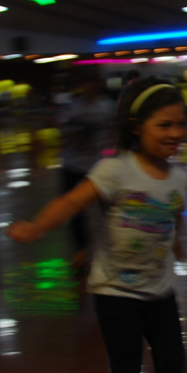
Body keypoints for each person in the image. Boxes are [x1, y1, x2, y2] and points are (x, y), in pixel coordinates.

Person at [7, 79, 187, 373]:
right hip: (114, 290)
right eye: (164, 124)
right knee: (125, 371)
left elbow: (173, 218)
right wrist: (37, 226)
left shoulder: (178, 177)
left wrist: (181, 249)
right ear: (136, 127)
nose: (175, 133)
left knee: (174, 363)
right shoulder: (115, 169)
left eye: (180, 124)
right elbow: (71, 201)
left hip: (160, 289)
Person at [57, 72, 116, 268]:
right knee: (74, 210)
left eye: (94, 84)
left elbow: (113, 131)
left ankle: (113, 247)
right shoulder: (73, 107)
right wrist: (79, 133)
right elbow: (65, 136)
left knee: (107, 208)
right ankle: (81, 250)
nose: (91, 88)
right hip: (72, 165)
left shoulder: (106, 107)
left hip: (95, 166)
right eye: (87, 84)